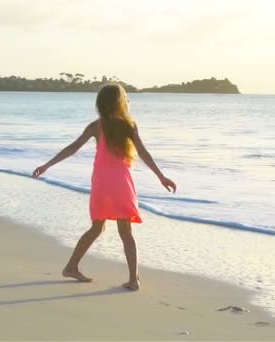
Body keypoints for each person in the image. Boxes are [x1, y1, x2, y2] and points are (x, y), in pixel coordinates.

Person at [33, 84, 176, 291]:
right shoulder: (129, 126)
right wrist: (161, 176)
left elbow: (72, 148)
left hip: (101, 183)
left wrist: (47, 165)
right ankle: (133, 279)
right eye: (125, 97)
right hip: (121, 184)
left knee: (97, 227)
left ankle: (72, 266)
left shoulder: (96, 126)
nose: (127, 101)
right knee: (125, 231)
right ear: (120, 102)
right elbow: (143, 152)